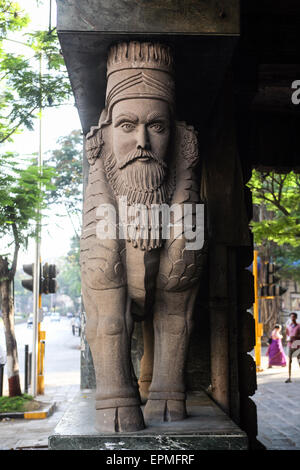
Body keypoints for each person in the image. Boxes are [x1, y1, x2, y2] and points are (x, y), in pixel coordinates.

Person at [285, 312, 300, 383]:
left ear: (296, 318)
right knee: (289, 361)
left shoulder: (299, 326)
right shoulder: (288, 326)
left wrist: (295, 337)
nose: (292, 318)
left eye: (293, 317)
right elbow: (287, 335)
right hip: (290, 345)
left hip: (297, 345)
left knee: (299, 361)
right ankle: (289, 377)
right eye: (291, 317)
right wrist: (288, 338)